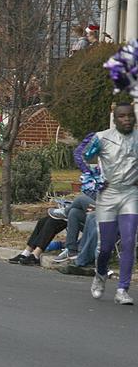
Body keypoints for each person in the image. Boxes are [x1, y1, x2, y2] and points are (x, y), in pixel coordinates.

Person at [75, 103, 138, 305]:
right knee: (106, 247)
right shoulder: (102, 138)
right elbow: (80, 155)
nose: (126, 119)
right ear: (115, 118)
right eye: (122, 116)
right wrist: (94, 177)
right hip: (108, 195)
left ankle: (122, 290)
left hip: (130, 194)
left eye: (130, 116)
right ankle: (100, 274)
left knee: (129, 242)